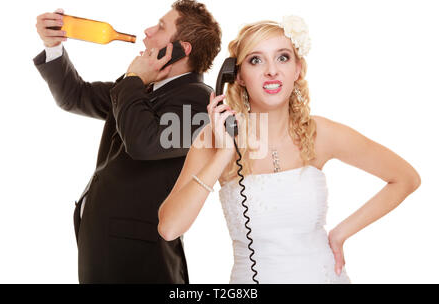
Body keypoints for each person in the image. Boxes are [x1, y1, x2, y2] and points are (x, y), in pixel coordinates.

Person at [157, 16, 421, 283]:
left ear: (298, 69)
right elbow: (169, 228)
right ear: (237, 76)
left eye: (282, 57)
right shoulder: (214, 139)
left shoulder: (321, 133)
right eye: (256, 60)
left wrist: (340, 234)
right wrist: (224, 152)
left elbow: (406, 178)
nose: (271, 70)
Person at [33, 0, 221, 283]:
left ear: (182, 49)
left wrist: (134, 79)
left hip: (140, 261)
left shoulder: (199, 101)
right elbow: (75, 96)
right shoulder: (140, 87)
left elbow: (144, 143)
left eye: (160, 27)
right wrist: (53, 46)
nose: (147, 31)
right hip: (106, 249)